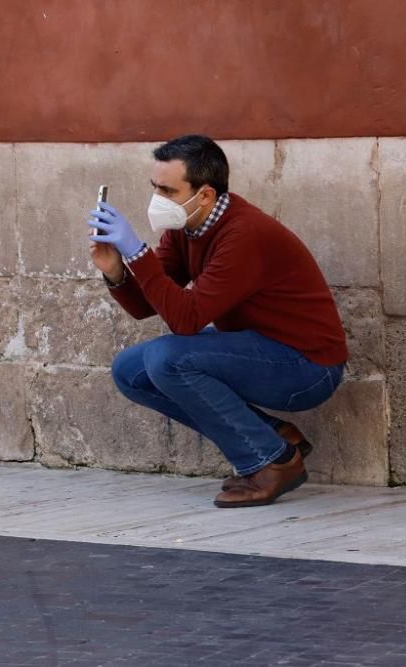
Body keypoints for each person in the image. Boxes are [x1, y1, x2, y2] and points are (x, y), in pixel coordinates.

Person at [88, 134, 348, 508]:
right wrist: (116, 271)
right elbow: (150, 304)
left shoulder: (244, 233)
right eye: (155, 188)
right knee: (130, 371)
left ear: (205, 195)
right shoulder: (188, 226)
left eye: (168, 190)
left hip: (307, 367)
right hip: (257, 349)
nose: (158, 200)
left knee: (168, 358)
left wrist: (137, 250)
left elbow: (186, 320)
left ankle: (270, 463)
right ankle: (274, 438)